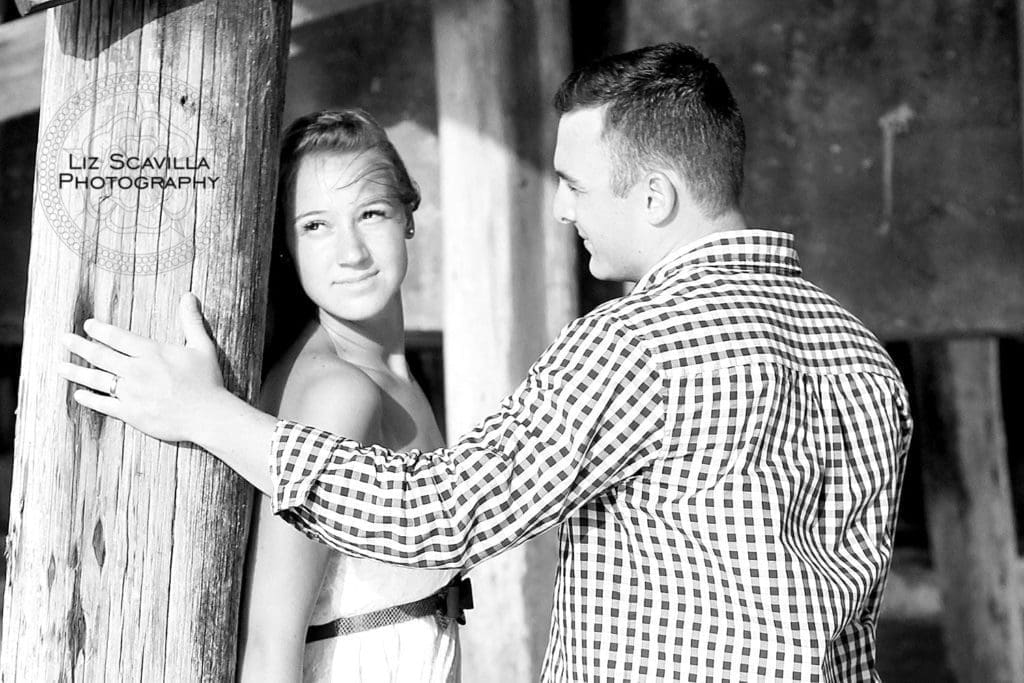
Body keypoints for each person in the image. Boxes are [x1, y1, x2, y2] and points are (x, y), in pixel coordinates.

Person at [59, 43, 912, 681]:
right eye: (314, 225)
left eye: (575, 185)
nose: (562, 210)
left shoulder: (638, 344)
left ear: (653, 197)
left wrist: (203, 413)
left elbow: (442, 510)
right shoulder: (864, 357)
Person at [237, 110, 463, 681]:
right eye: (315, 225)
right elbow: (268, 643)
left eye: (371, 213)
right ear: (286, 245)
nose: (353, 252)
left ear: (409, 215)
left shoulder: (395, 373)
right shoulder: (339, 394)